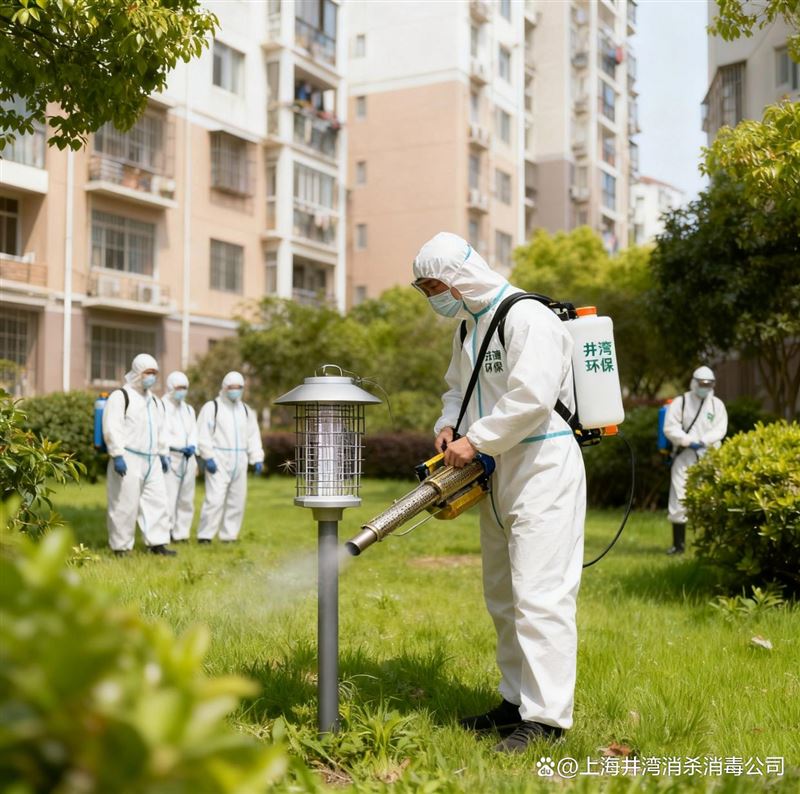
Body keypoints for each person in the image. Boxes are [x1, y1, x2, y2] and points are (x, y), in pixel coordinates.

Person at [412, 232, 586, 753]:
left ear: (460, 275)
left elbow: (531, 398)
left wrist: (477, 438)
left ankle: (548, 718)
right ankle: (515, 702)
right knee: (504, 594)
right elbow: (455, 389)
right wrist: (449, 426)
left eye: (434, 285)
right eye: (424, 290)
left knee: (539, 593)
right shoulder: (469, 324)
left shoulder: (527, 317)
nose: (432, 297)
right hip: (495, 467)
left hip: (542, 462)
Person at [102, 353, 176, 557]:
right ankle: (121, 547)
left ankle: (157, 543)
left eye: (154, 373)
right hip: (128, 458)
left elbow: (162, 429)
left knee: (158, 502)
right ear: (137, 372)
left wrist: (163, 453)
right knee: (124, 504)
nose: (151, 377)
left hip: (152, 459)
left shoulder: (155, 401)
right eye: (148, 372)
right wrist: (117, 454)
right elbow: (112, 426)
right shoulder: (121, 396)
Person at [663, 366, 727, 555]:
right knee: (679, 496)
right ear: (694, 382)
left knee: (712, 498)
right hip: (684, 457)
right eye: (701, 384)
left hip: (710, 457)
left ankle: (712, 543)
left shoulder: (717, 405)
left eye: (709, 384)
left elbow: (720, 428)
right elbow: (670, 427)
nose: (705, 387)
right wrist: (688, 441)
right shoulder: (680, 402)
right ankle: (678, 545)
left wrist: (704, 441)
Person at [196, 371, 265, 543]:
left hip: (239, 459)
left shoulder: (246, 411)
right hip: (219, 458)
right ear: (224, 388)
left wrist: (256, 457)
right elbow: (202, 433)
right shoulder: (213, 407)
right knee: (214, 499)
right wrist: (208, 456)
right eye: (232, 387)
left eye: (239, 387)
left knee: (237, 500)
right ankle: (205, 536)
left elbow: (253, 436)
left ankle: (229, 536)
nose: (235, 390)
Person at [163, 371, 198, 542]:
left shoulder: (188, 409)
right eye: (179, 387)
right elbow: (160, 432)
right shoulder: (161, 406)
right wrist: (171, 448)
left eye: (185, 388)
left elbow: (193, 431)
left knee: (186, 498)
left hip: (188, 458)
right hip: (170, 456)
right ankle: (166, 531)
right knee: (168, 498)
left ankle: (181, 533)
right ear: (170, 387)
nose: (182, 391)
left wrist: (192, 445)